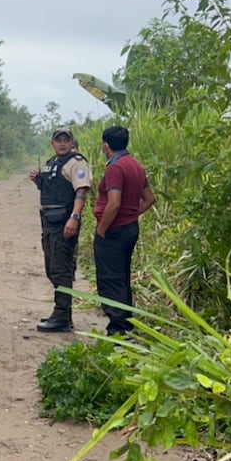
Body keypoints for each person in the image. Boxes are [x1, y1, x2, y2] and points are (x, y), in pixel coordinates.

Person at [93, 125, 156, 336]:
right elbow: (149, 199)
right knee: (122, 276)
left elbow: (114, 203)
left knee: (110, 279)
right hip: (129, 228)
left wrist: (102, 229)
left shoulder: (115, 168)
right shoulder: (136, 166)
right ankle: (126, 324)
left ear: (105, 145)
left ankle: (118, 328)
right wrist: (132, 215)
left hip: (114, 232)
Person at [28, 126, 92, 332]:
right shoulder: (52, 163)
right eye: (58, 140)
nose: (62, 143)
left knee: (61, 269)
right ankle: (61, 313)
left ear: (73, 142)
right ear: (52, 143)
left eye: (66, 139)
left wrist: (75, 217)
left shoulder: (77, 162)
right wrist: (39, 181)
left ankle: (62, 316)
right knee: (52, 267)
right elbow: (52, 189)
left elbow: (81, 190)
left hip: (64, 223)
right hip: (49, 223)